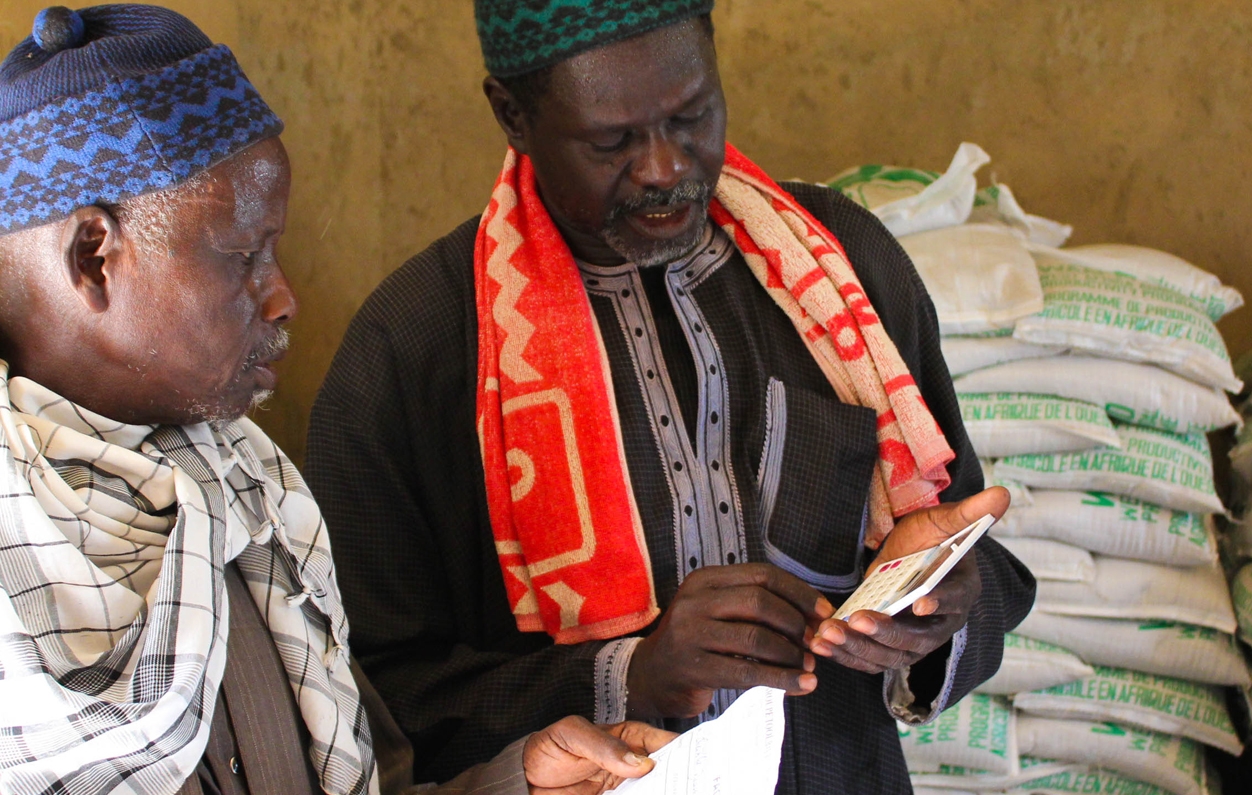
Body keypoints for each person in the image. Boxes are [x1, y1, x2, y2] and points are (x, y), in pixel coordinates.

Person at [306, 1, 1037, 792]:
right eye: (612, 141)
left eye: (692, 116)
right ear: (512, 115)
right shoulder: (414, 347)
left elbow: (973, 556)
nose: (664, 167)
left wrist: (939, 606)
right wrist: (632, 674)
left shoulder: (839, 270)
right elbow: (371, 700)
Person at [0, 5, 673, 794]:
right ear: (93, 255)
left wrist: (513, 784)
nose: (282, 297)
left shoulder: (246, 490)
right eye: (242, 255)